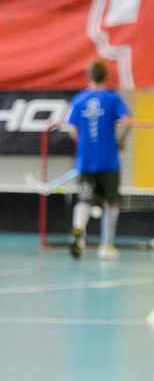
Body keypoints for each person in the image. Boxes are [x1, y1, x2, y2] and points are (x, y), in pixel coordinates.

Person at [65, 59, 132, 260]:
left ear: (89, 76)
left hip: (85, 161)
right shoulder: (113, 99)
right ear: (106, 76)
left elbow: (72, 130)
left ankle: (78, 229)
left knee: (85, 199)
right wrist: (120, 140)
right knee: (111, 203)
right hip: (109, 161)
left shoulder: (79, 100)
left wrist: (85, 143)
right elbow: (127, 121)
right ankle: (106, 246)